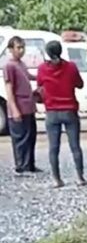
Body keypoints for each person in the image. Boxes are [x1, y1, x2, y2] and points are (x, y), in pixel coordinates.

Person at [36, 41, 86, 188]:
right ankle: (79, 177)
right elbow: (80, 84)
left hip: (52, 112)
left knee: (53, 147)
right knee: (75, 146)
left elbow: (39, 85)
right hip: (69, 110)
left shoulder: (42, 69)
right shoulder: (71, 67)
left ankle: (57, 180)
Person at [3, 36, 39, 176]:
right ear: (11, 49)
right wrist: (14, 109)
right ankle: (21, 166)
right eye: (18, 47)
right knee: (20, 138)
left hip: (28, 106)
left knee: (30, 136)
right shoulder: (9, 66)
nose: (21, 50)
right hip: (18, 107)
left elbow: (28, 76)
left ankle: (30, 164)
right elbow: (9, 90)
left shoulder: (21, 64)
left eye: (23, 47)